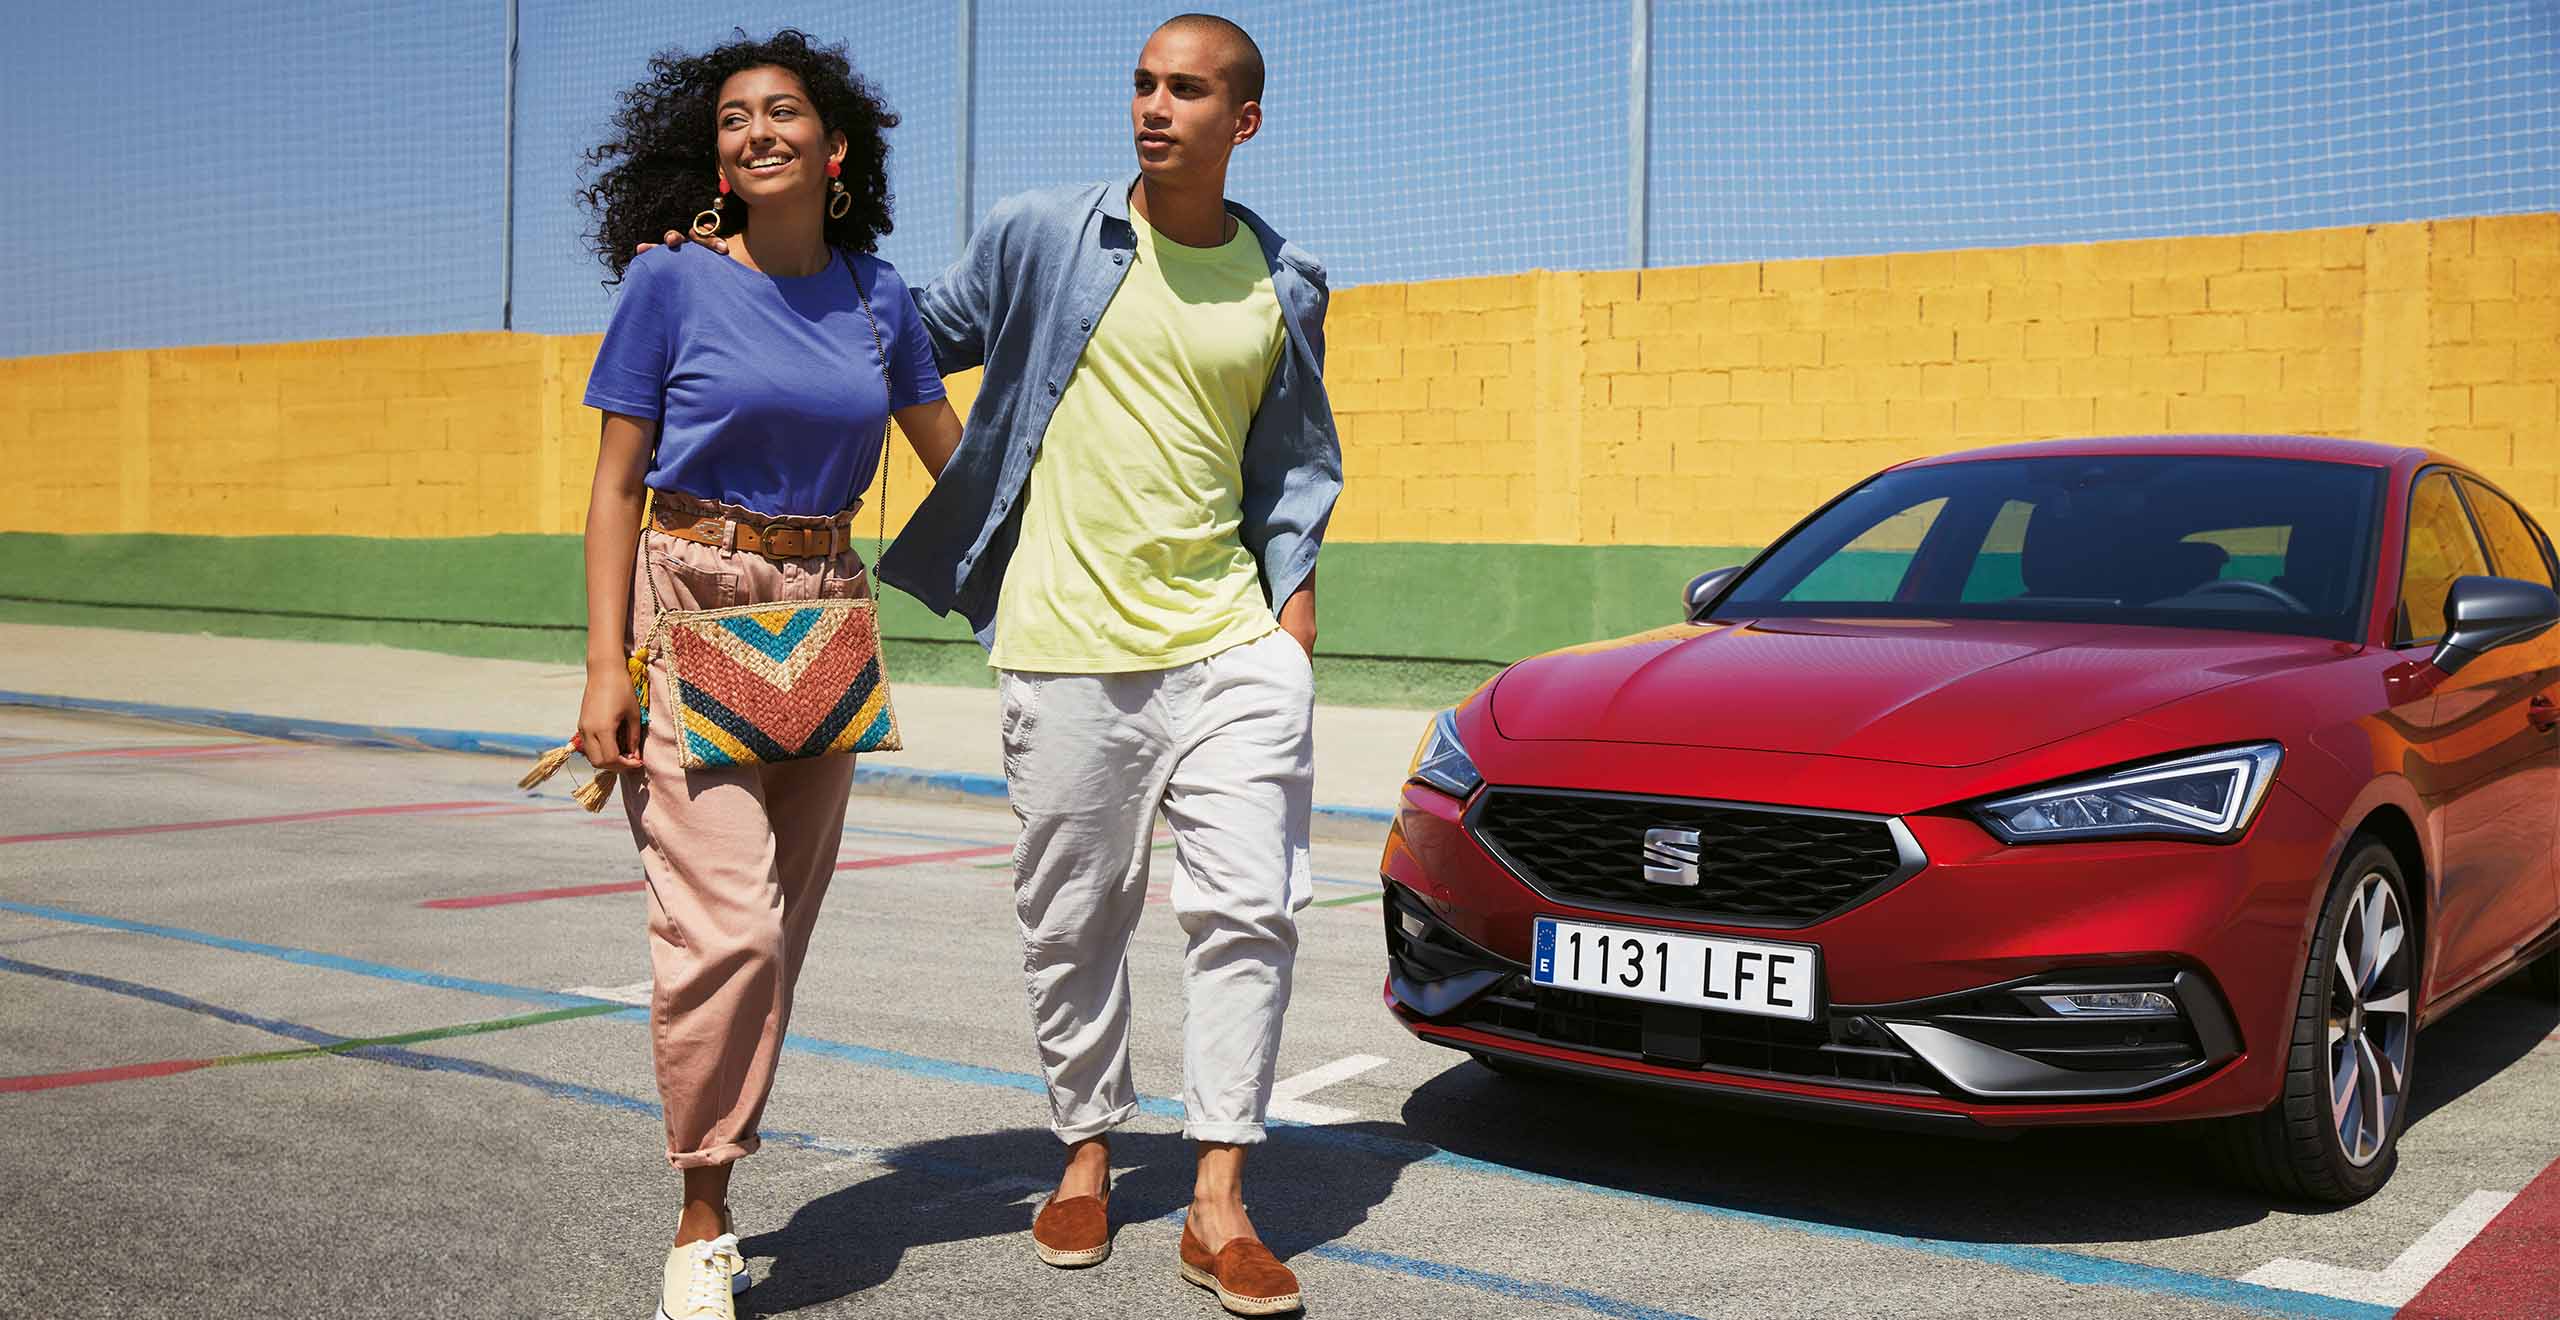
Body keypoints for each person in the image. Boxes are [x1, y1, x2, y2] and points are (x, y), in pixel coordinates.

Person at [577, 28, 961, 1320]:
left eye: (783, 111)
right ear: (721, 159)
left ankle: (720, 1151)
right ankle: (703, 1209)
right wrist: (598, 673)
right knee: (726, 926)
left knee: (777, 935)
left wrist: (1056, 578)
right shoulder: (671, 284)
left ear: (835, 148)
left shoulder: (877, 299)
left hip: (820, 616)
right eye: (735, 118)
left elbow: (954, 467)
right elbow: (616, 484)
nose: (757, 131)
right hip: (684, 603)